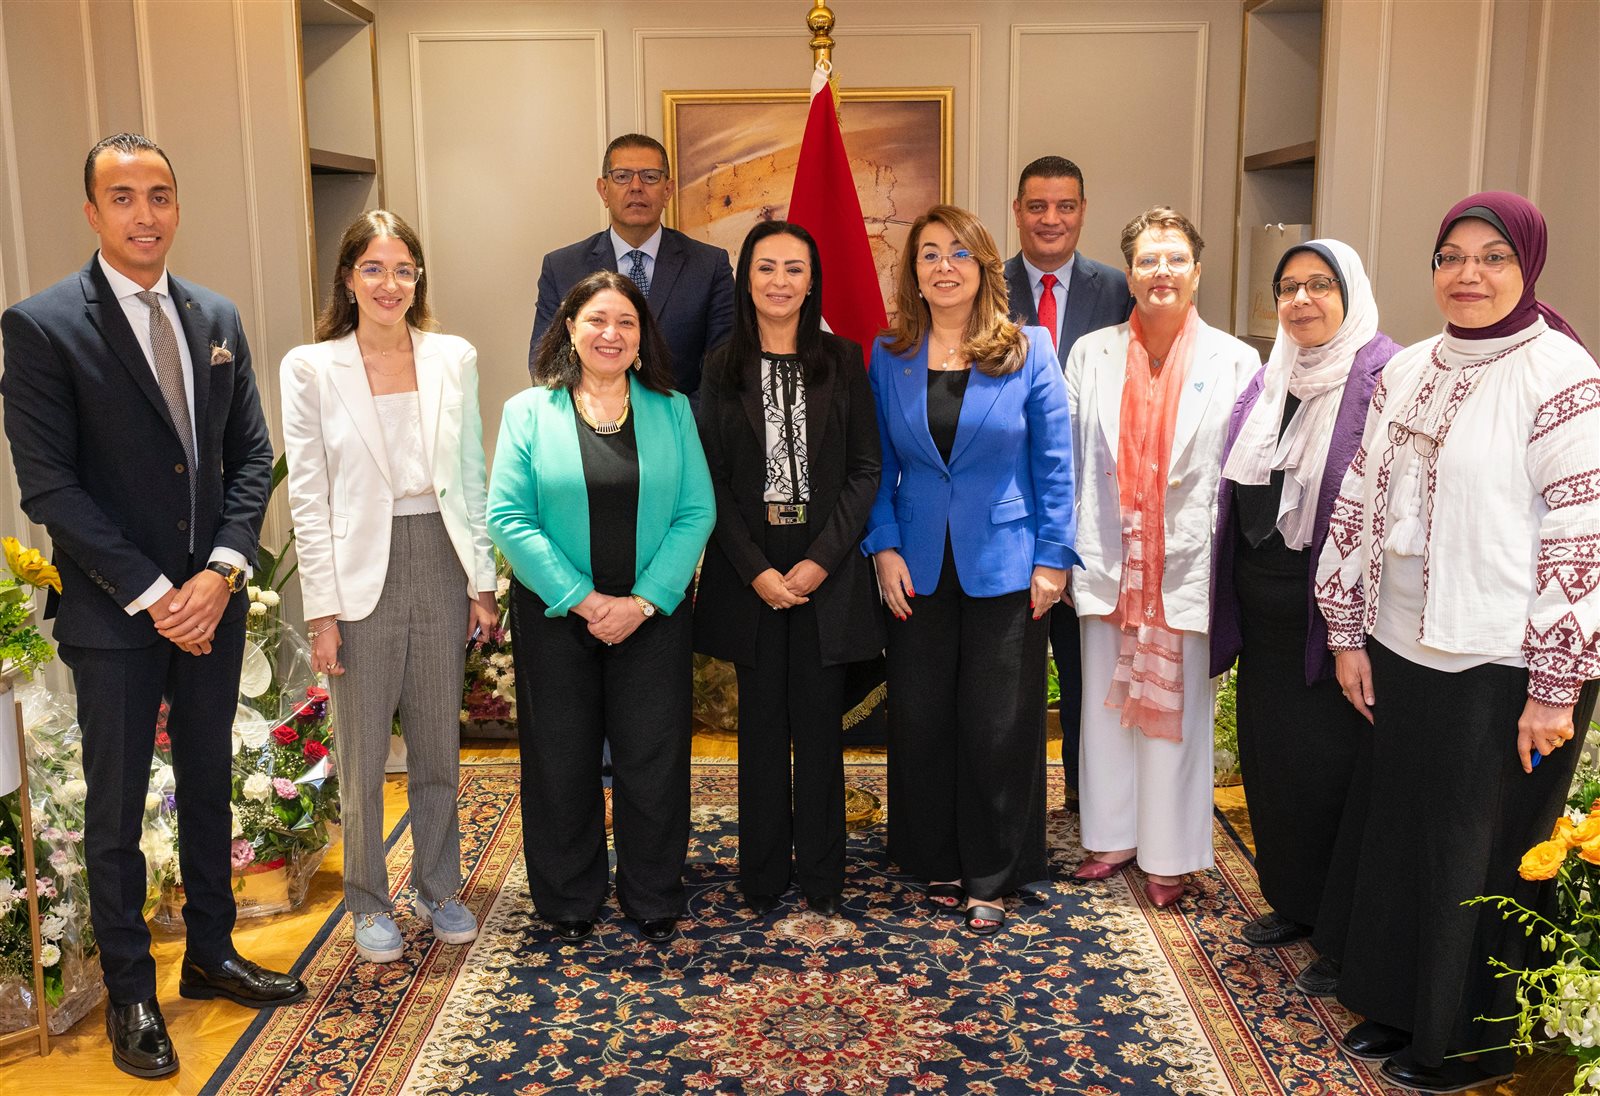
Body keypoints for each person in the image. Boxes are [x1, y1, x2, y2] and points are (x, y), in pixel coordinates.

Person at [0, 133, 301, 1079]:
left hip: (213, 604)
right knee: (117, 809)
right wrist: (157, 592)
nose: (145, 213)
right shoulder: (42, 326)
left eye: (160, 194)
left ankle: (211, 954)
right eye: (123, 197)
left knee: (209, 783)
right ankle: (132, 991)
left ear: (177, 206)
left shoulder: (215, 314)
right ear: (91, 212)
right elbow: (49, 489)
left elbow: (251, 458)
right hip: (115, 616)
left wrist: (219, 573)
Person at [1313, 192, 1599, 1094]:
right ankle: (1397, 1003)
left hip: (1503, 662)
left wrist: (1554, 686)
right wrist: (1348, 632)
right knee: (1404, 833)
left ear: (1528, 267)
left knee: (1475, 851)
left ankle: (1470, 1043)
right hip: (1403, 646)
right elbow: (1357, 498)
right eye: (1451, 257)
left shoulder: (1559, 374)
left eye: (1492, 257)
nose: (1468, 275)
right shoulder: (1408, 368)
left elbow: (1582, 533)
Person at [279, 211, 498, 964]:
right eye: (372, 268)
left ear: (418, 279)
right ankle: (368, 900)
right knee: (364, 754)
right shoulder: (311, 367)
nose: (389, 283)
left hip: (439, 556)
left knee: (438, 745)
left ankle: (439, 887)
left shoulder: (453, 357)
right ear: (347, 278)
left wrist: (482, 581)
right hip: (356, 575)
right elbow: (309, 497)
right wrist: (322, 613)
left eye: (403, 269)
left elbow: (470, 474)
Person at [862, 204, 1076, 937]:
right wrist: (883, 545)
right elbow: (876, 464)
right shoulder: (888, 354)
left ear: (983, 265)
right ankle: (934, 856)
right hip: (916, 564)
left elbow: (1055, 465)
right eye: (929, 254)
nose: (944, 266)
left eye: (958, 252)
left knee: (997, 724)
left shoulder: (1029, 349)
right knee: (921, 718)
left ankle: (993, 870)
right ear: (914, 273)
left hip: (1008, 565)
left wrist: (1054, 558)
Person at [491, 270, 714, 944]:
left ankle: (653, 891)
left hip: (654, 615)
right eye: (596, 319)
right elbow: (508, 517)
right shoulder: (528, 412)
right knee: (560, 759)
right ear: (569, 329)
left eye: (625, 322)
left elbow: (696, 511)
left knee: (655, 759)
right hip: (557, 615)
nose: (610, 333)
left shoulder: (672, 410)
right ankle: (568, 897)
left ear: (642, 338)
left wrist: (642, 602)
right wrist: (587, 602)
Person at [1209, 240, 1400, 993]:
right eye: (1288, 287)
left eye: (1321, 285)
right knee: (1273, 767)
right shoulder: (1269, 378)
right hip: (1265, 619)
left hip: (1337, 625)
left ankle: (1338, 930)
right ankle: (1291, 900)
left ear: (1351, 294)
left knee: (1332, 777)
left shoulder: (1385, 377)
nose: (1301, 300)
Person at [1065, 206, 1257, 909]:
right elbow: (1068, 460)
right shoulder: (1091, 353)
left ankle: (1170, 853)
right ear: (1129, 273)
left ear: (1197, 272)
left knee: (1181, 712)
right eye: (1148, 260)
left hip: (1186, 561)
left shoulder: (1236, 361)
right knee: (1104, 705)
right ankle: (1113, 835)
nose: (1162, 271)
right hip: (1110, 555)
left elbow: (1245, 473)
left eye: (1176, 259)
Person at [693, 221, 882, 919]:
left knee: (820, 730)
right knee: (762, 732)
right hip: (751, 570)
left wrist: (820, 561)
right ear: (747, 279)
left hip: (824, 567)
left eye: (794, 268)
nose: (780, 281)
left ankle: (824, 875)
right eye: (766, 267)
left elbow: (865, 469)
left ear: (812, 282)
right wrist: (755, 571)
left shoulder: (844, 359)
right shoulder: (720, 366)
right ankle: (764, 874)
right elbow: (709, 479)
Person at [1004, 155, 1133, 813]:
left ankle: (1091, 803)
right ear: (1017, 212)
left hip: (1096, 517)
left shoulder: (1120, 290)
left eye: (1064, 206)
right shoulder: (984, 288)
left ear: (1083, 211)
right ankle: (1017, 806)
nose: (1050, 219)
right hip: (1011, 516)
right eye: (1037, 206)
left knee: (1089, 674)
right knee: (1014, 680)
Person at [529, 133, 735, 403]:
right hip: (588, 425)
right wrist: (596, 421)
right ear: (604, 190)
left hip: (682, 424)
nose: (636, 187)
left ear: (668, 190)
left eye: (650, 177)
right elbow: (546, 367)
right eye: (622, 176)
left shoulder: (709, 266)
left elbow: (724, 370)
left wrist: (675, 420)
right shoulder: (562, 268)